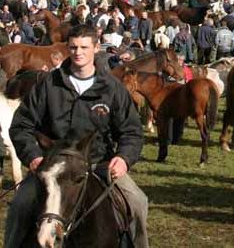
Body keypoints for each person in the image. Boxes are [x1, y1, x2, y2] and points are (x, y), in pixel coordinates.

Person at [6, 25, 148, 248]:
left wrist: (124, 158)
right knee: (20, 205)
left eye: (84, 47)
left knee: (138, 202)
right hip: (53, 167)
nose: (78, 52)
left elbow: (132, 131)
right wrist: (33, 157)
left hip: (100, 165)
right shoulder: (48, 85)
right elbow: (21, 126)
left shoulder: (112, 88)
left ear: (96, 48)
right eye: (73, 47)